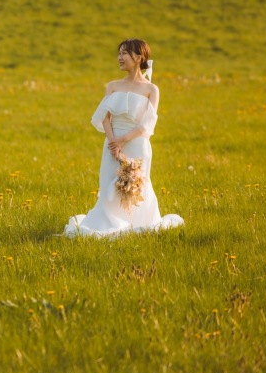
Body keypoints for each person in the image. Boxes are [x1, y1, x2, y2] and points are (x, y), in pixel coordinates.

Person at [64, 39, 183, 238]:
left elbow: (147, 124)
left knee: (137, 184)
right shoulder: (112, 86)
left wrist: (122, 140)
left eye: (124, 53)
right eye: (118, 53)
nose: (119, 58)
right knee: (110, 184)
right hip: (112, 144)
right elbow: (105, 118)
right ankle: (108, 222)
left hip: (137, 144)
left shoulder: (151, 89)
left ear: (138, 57)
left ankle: (138, 221)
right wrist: (113, 142)